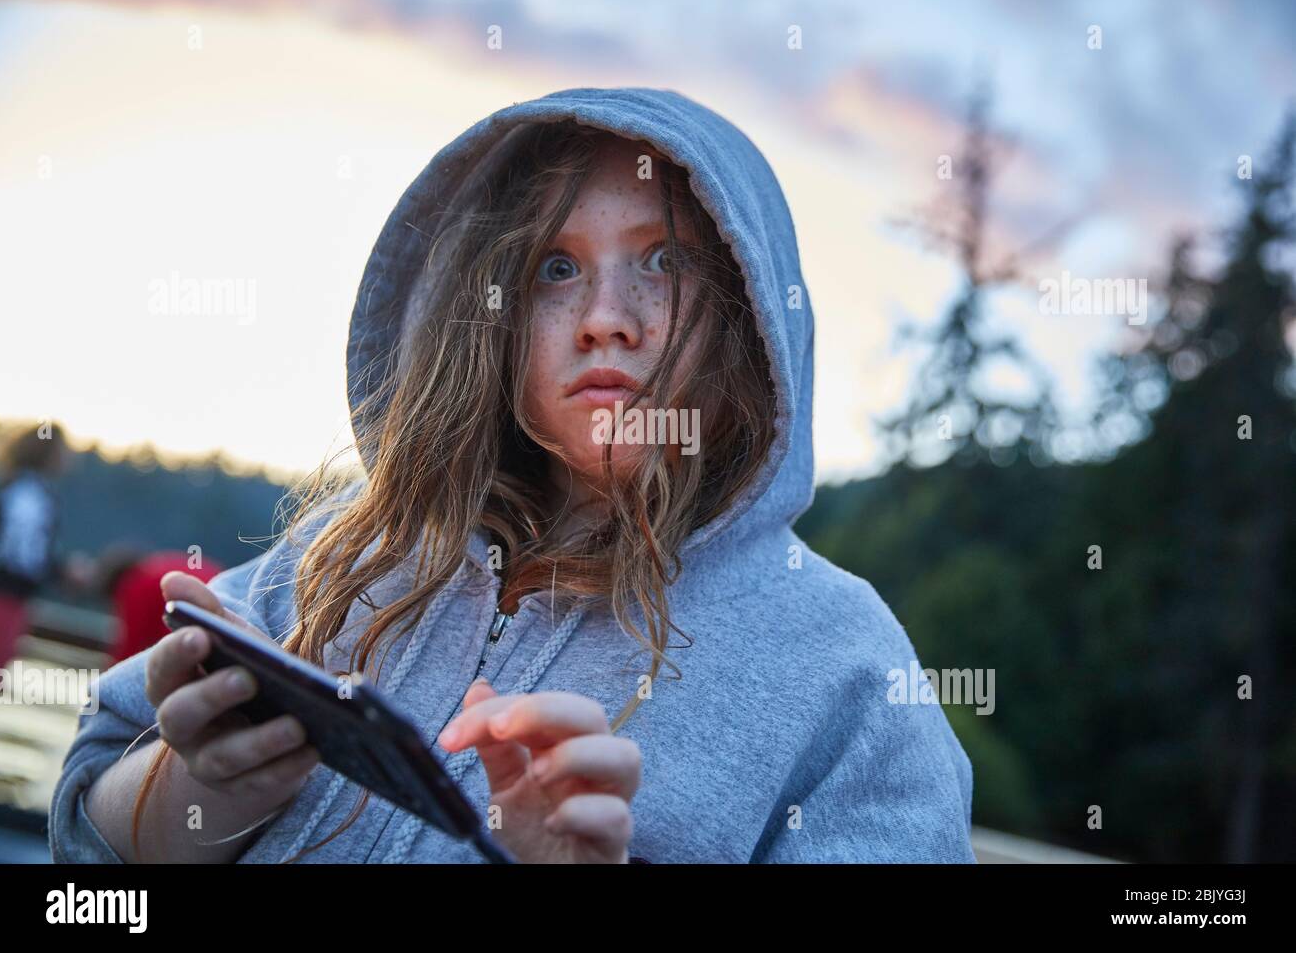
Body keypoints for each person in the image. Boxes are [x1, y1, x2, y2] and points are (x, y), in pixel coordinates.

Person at [50, 88, 975, 864]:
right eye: (556, 268)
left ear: (753, 324)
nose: (606, 318)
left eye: (667, 261)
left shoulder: (844, 668)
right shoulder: (352, 552)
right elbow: (85, 854)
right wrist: (198, 789)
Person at [0, 423, 69, 669]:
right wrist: (61, 573)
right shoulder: (31, 494)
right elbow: (23, 553)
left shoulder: (12, 485)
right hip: (6, 595)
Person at [95, 547, 225, 666]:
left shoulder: (134, 586)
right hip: (228, 619)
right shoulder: (156, 568)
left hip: (200, 635)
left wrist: (105, 679)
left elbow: (130, 644)